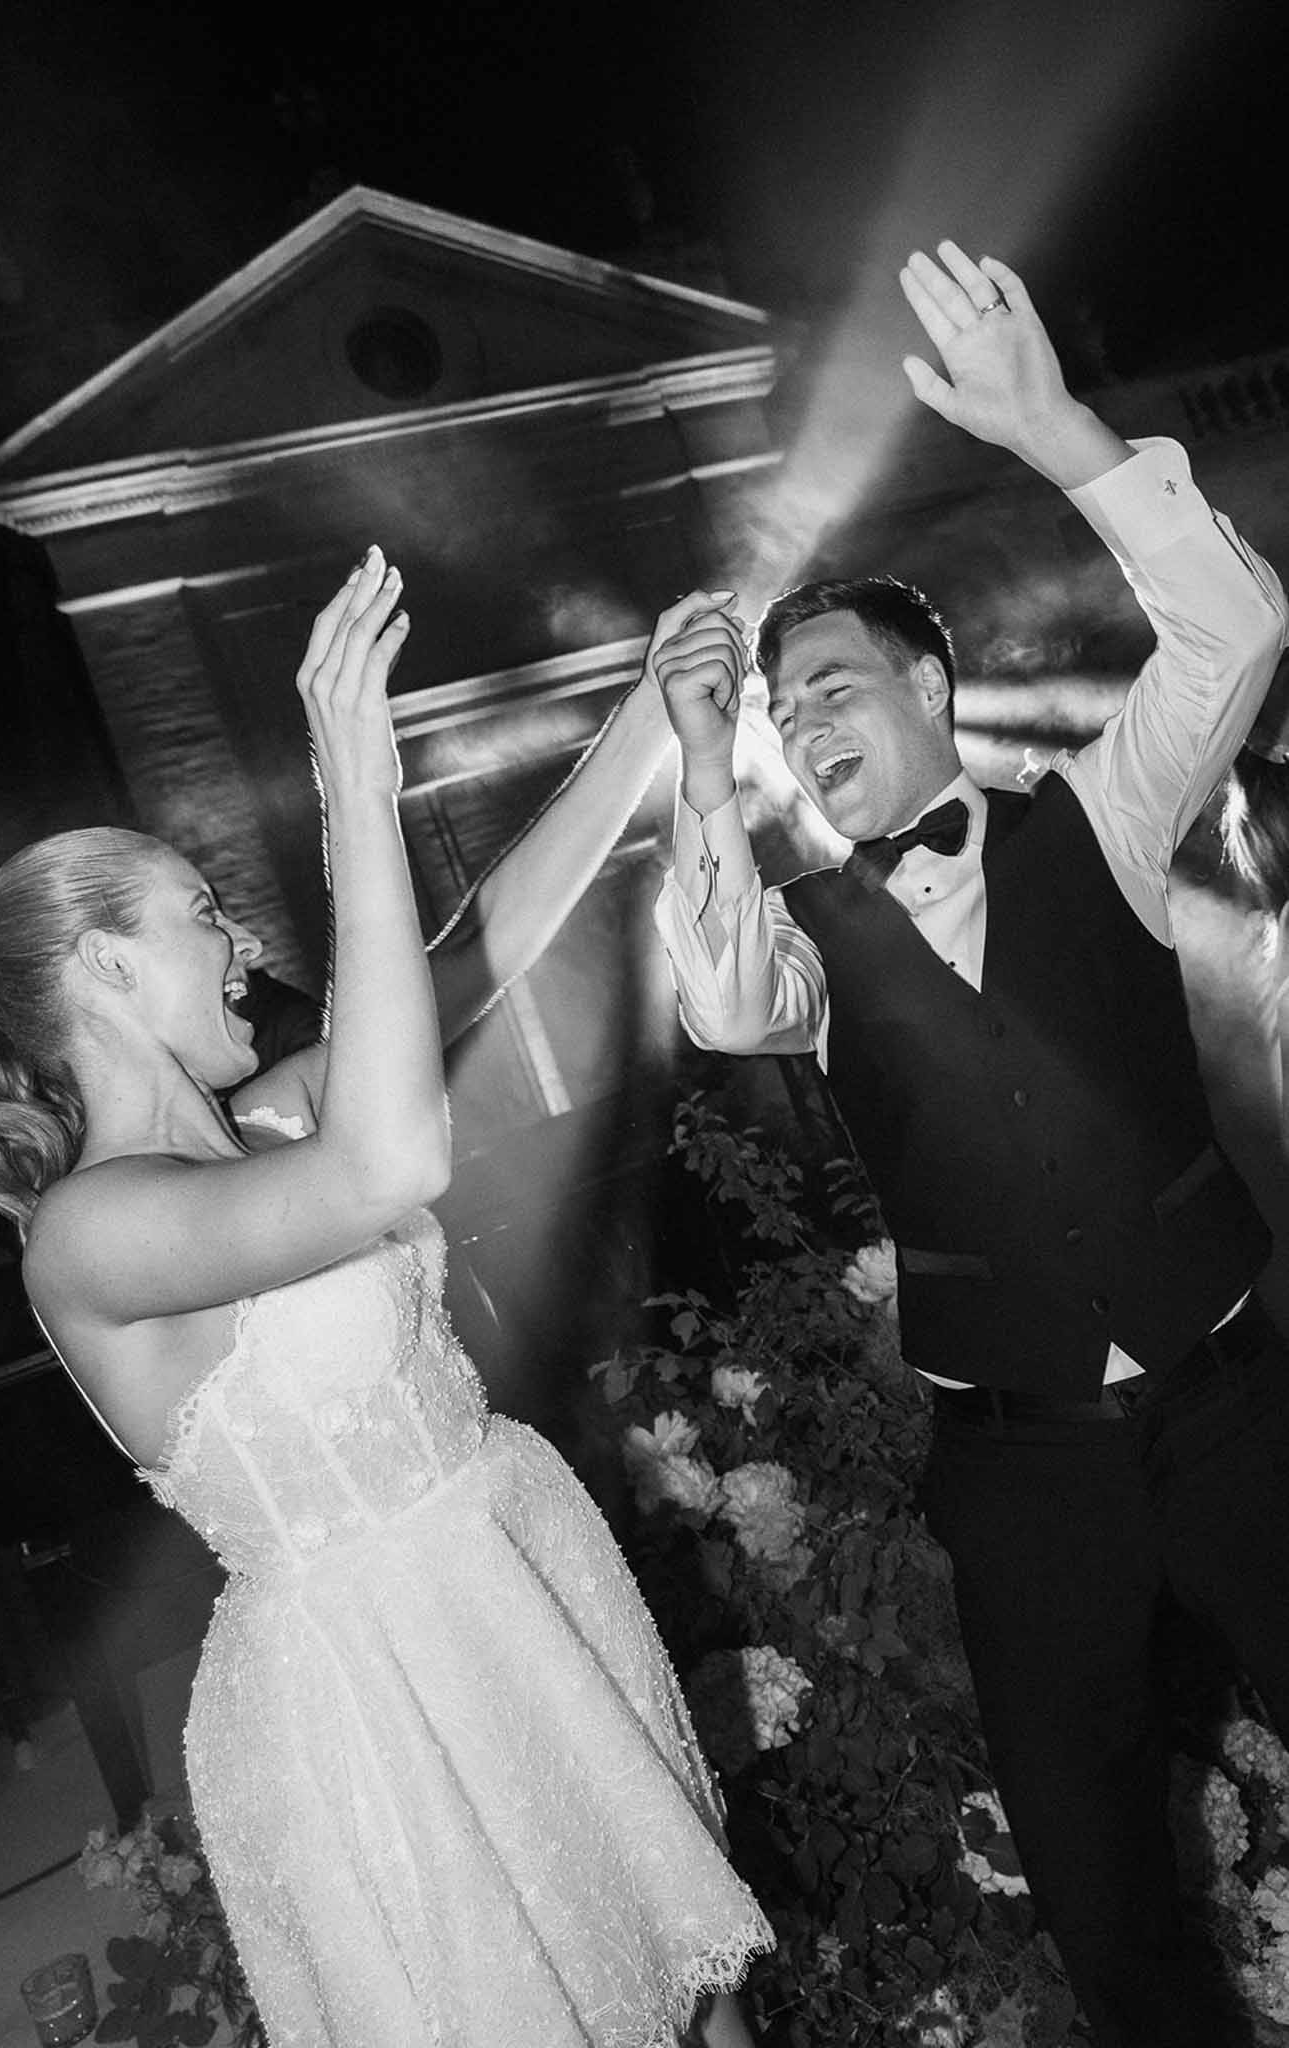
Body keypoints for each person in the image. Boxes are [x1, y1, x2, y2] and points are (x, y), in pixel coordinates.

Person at [0, 552, 773, 2048]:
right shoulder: (88, 1235)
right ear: (110, 964)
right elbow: (391, 1161)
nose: (241, 940)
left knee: (703, 2015)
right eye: (203, 913)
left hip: (511, 1576)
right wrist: (351, 792)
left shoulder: (265, 1125)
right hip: (378, 1692)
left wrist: (646, 712)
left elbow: (481, 952)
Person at [651, 240, 1289, 2048]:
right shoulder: (803, 937)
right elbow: (711, 998)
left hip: (1235, 1406)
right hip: (1019, 1481)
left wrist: (1057, 430)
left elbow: (1233, 626)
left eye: (833, 686)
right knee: (1100, 1893)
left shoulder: (1100, 807)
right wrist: (707, 772)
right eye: (788, 711)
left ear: (933, 688)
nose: (805, 724)